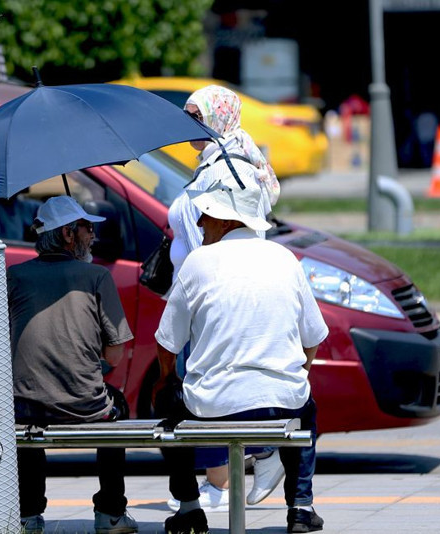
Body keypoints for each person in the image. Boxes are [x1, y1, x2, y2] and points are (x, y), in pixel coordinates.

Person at [154, 160, 329, 533]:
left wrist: (168, 381)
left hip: (212, 405)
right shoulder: (285, 259)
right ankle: (300, 506)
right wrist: (293, 376)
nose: (199, 224)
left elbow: (167, 345)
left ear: (226, 220)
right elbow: (313, 339)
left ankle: (188, 507)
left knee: (165, 404)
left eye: (205, 216)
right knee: (307, 408)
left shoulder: (198, 263)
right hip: (281, 401)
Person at [165, 84, 284, 513]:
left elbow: (220, 230)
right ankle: (230, 477)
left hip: (210, 295)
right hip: (199, 291)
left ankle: (257, 459)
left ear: (219, 117)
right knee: (202, 392)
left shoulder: (225, 166)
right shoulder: (215, 159)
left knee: (202, 393)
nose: (189, 124)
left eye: (197, 115)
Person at [7, 195, 139, 534]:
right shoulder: (96, 276)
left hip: (25, 406)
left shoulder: (14, 276)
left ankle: (28, 515)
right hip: (86, 406)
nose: (92, 235)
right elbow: (114, 356)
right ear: (68, 234)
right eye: (86, 228)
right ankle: (110, 514)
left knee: (25, 417)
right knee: (117, 407)